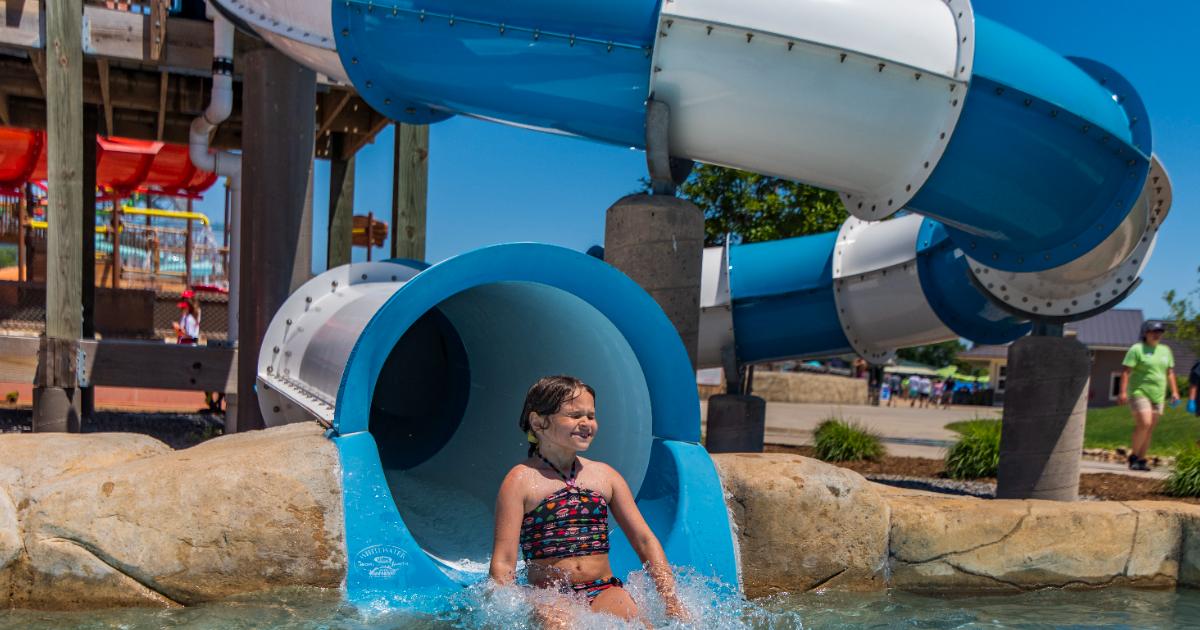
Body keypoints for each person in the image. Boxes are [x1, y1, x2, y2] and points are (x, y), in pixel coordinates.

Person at [490, 376, 688, 626]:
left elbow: (644, 540)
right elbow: (504, 562)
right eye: (574, 416)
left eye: (591, 416)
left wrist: (670, 598)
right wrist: (502, 608)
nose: (586, 423)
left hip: (604, 588)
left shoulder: (605, 476)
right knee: (558, 623)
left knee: (637, 623)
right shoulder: (520, 480)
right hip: (548, 594)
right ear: (538, 422)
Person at [1119, 322, 1180, 471]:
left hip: (1158, 395)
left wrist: (1175, 391)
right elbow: (1126, 372)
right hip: (1139, 392)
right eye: (1154, 331)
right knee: (1145, 423)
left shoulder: (1165, 350)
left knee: (1150, 427)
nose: (1157, 334)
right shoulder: (1137, 349)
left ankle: (1141, 459)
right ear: (1145, 333)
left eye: (1160, 332)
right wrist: (1123, 392)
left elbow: (1170, 372)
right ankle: (1133, 456)